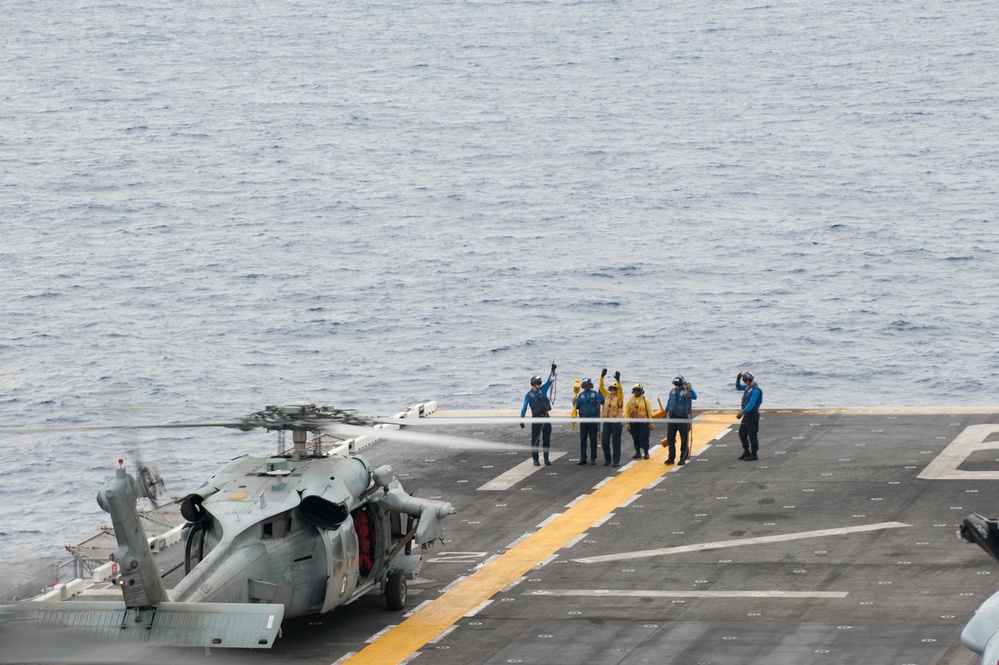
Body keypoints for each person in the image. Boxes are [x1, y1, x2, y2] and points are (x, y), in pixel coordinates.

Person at [521, 363, 557, 466]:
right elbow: (524, 408)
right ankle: (535, 459)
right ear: (533, 384)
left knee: (547, 439)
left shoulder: (543, 390)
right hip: (536, 419)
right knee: (535, 440)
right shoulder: (528, 395)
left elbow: (549, 381)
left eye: (540, 383)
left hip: (545, 417)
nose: (539, 385)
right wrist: (521, 420)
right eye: (538, 383)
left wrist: (552, 371)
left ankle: (546, 459)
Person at [663, 376, 697, 466]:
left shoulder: (687, 392)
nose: (677, 386)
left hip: (683, 418)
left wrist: (690, 389)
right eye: (676, 384)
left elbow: (695, 397)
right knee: (670, 439)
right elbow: (669, 403)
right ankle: (671, 458)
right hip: (672, 417)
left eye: (679, 384)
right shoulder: (672, 392)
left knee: (684, 439)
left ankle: (683, 457)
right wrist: (665, 412)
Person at [573, 377, 604, 465]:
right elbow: (577, 406)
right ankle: (583, 458)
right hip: (583, 420)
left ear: (590, 385)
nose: (586, 386)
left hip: (593, 420)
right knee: (583, 439)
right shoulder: (580, 395)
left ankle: (593, 458)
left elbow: (603, 402)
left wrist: (601, 396)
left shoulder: (596, 394)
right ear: (582, 386)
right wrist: (574, 402)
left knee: (593, 439)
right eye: (584, 385)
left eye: (588, 385)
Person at [598, 369, 624, 466]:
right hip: (607, 422)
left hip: (616, 423)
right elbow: (601, 388)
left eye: (615, 389)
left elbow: (621, 391)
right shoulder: (607, 396)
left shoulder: (619, 398)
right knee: (604, 442)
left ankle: (616, 461)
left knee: (616, 443)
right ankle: (607, 459)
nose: (613, 390)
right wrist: (602, 377)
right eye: (611, 389)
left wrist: (618, 381)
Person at [735, 371, 763, 461]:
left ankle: (754, 454)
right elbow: (738, 387)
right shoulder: (748, 387)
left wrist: (742, 412)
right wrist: (737, 380)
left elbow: (751, 403)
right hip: (747, 415)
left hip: (752, 415)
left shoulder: (755, 390)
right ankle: (746, 451)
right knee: (742, 433)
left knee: (752, 434)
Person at [625, 383, 655, 459]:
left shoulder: (645, 400)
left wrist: (651, 422)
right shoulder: (630, 400)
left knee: (644, 436)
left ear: (641, 391)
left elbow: (649, 411)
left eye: (638, 390)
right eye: (635, 390)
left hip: (643, 422)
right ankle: (637, 452)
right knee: (635, 437)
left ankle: (646, 452)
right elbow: (627, 412)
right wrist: (627, 423)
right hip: (633, 422)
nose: (636, 391)